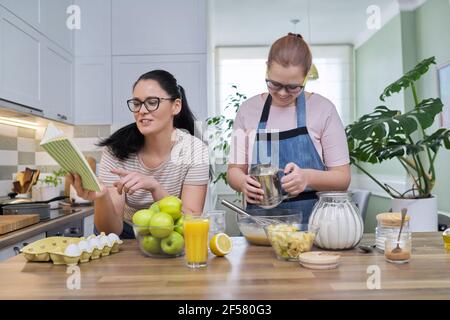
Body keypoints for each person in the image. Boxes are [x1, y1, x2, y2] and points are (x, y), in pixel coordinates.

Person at [68, 70, 210, 238]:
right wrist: (102, 197)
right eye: (137, 103)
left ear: (175, 106)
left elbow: (190, 220)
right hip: (126, 233)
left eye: (152, 102)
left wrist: (155, 187)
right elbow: (111, 230)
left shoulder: (195, 150)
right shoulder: (116, 149)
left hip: (172, 231)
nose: (142, 110)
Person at [227, 33, 351, 223]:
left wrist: (307, 177)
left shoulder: (324, 109)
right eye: (274, 84)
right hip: (261, 229)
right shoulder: (247, 110)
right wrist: (243, 183)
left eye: (293, 87)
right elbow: (234, 170)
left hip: (314, 229)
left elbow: (342, 179)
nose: (283, 93)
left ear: (306, 75)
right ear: (266, 68)